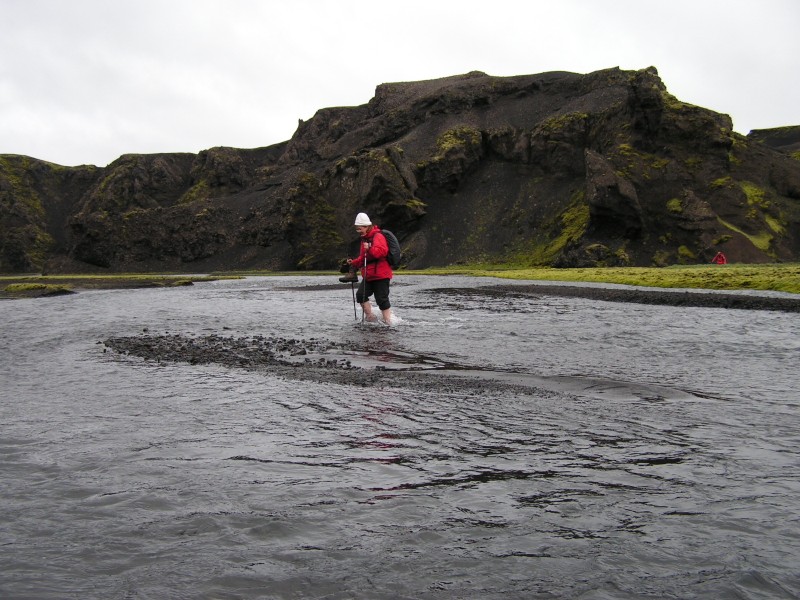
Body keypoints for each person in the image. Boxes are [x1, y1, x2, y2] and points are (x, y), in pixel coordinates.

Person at [345, 212, 394, 324]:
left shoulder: (378, 236)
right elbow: (363, 258)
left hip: (381, 274)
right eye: (357, 229)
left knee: (382, 299)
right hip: (369, 275)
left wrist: (370, 248)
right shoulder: (365, 239)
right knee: (360, 295)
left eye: (360, 229)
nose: (358, 231)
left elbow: (382, 252)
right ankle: (371, 318)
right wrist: (353, 262)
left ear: (366, 226)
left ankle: (388, 322)